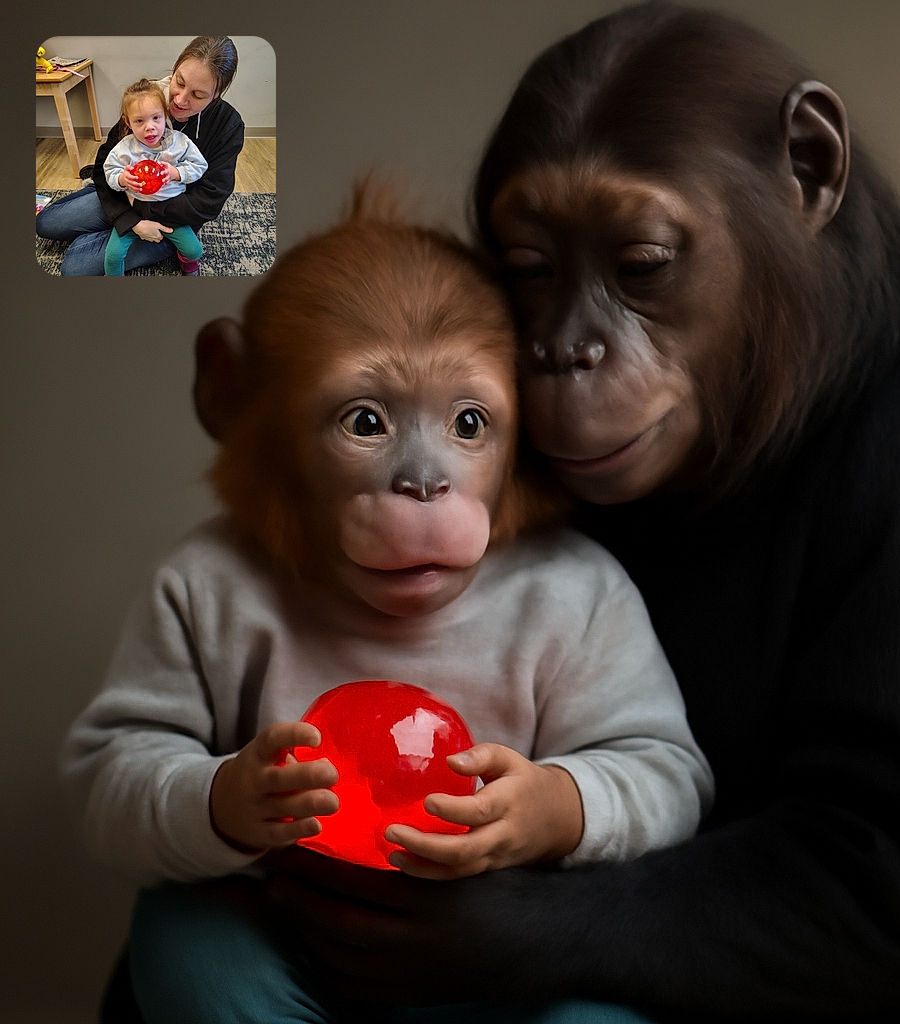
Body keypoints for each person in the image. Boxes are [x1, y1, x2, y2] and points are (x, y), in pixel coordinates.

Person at [265, 5, 900, 1023]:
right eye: (532, 271)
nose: (569, 349)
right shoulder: (501, 409)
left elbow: (886, 885)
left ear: (807, 172)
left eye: (642, 268)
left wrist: (545, 929)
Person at [63, 200, 713, 1023]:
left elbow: (667, 771)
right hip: (290, 935)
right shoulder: (216, 586)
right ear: (247, 409)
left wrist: (557, 807)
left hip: (503, 953)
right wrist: (220, 801)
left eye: (468, 423)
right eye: (364, 421)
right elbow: (108, 777)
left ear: (524, 433)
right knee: (183, 942)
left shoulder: (569, 592)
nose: (424, 478)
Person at [36, 36, 243, 276]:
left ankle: (110, 227)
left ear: (217, 94)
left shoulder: (228, 125)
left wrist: (142, 214)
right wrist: (128, 219)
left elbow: (210, 201)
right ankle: (99, 202)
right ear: (175, 69)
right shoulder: (147, 100)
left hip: (174, 216)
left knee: (74, 266)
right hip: (128, 196)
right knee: (45, 223)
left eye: (198, 95)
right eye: (179, 82)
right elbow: (106, 163)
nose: (179, 99)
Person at [102, 79, 208, 276]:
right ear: (128, 122)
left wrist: (177, 173)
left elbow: (200, 165)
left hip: (171, 209)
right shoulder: (125, 148)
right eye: (139, 121)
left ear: (165, 115)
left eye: (156, 118)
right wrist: (121, 179)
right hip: (136, 210)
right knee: (112, 255)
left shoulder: (179, 142)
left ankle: (186, 264)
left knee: (194, 251)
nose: (149, 127)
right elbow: (109, 170)